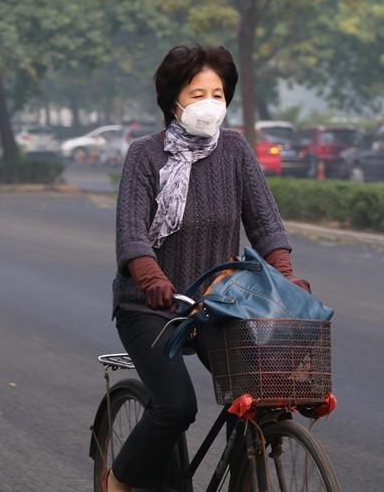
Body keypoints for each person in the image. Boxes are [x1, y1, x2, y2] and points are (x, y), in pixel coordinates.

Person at [103, 44, 311, 492]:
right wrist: (152, 278)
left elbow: (266, 224)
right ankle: (118, 479)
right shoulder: (144, 155)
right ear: (173, 100)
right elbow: (132, 234)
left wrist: (286, 274)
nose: (210, 104)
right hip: (152, 307)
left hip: (218, 304)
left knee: (259, 397)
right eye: (198, 94)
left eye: (218, 93)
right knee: (177, 407)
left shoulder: (235, 149)